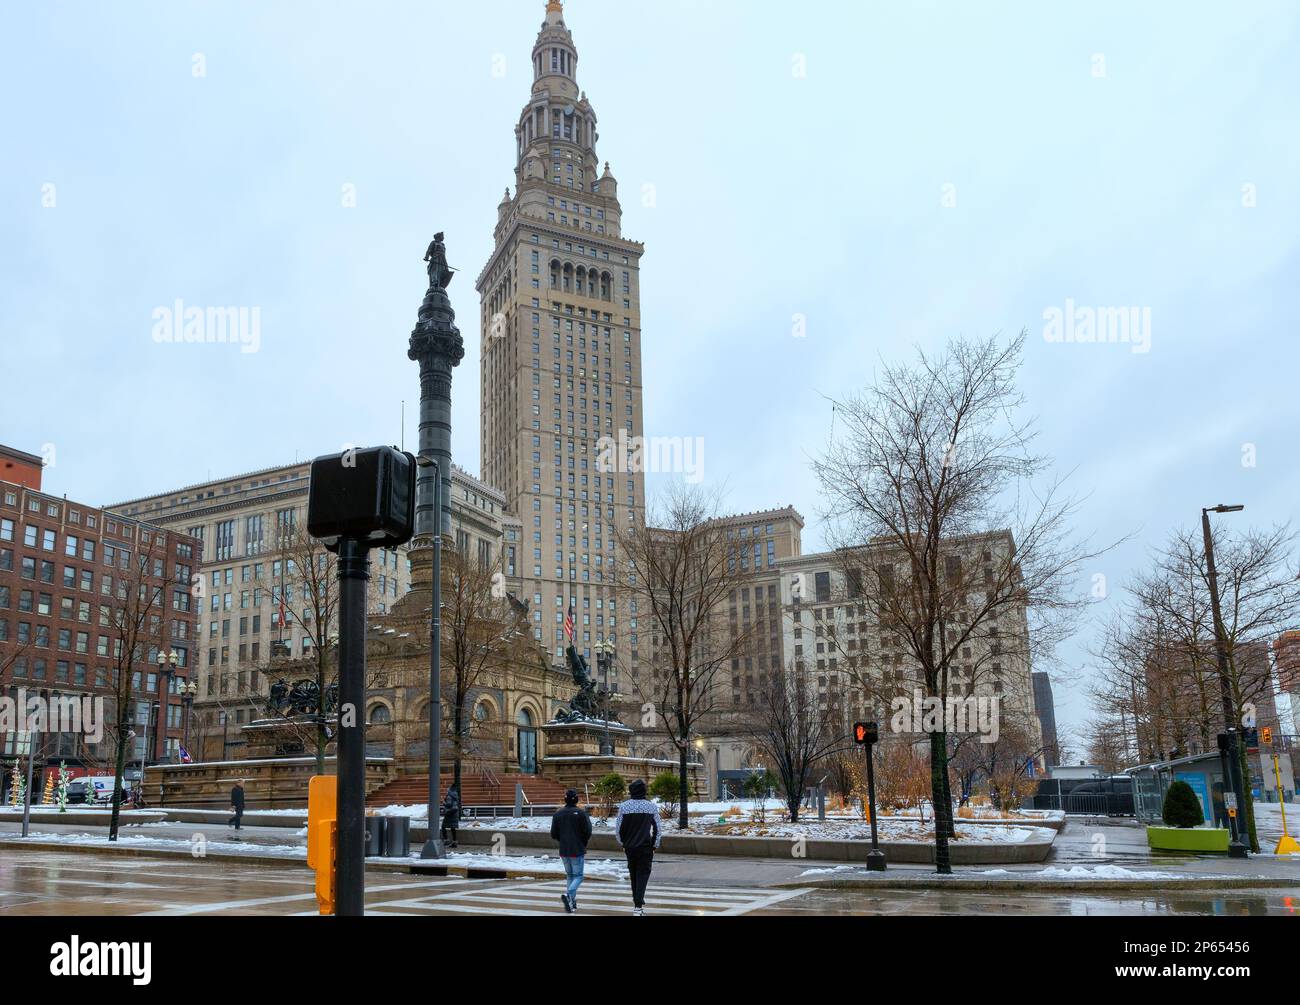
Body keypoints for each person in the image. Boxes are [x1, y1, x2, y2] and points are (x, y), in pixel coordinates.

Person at [614, 778, 661, 916]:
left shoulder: (624, 806)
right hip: (645, 847)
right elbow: (658, 827)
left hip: (629, 847)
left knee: (633, 874)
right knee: (643, 875)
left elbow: (618, 828)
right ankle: (638, 906)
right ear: (644, 791)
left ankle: (637, 903)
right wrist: (655, 845)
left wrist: (622, 843)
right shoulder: (651, 806)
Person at [550, 788, 593, 913]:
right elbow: (588, 831)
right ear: (576, 799)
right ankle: (569, 895)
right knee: (578, 876)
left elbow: (553, 834)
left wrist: (562, 840)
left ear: (565, 799)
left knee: (570, 876)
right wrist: (583, 842)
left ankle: (571, 902)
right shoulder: (581, 813)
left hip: (564, 850)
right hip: (577, 849)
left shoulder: (558, 814)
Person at [440, 784, 461, 849]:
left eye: (448, 789)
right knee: (453, 828)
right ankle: (454, 842)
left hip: (449, 814)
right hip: (454, 814)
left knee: (443, 826)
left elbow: (448, 804)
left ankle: (446, 840)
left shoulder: (449, 796)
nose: (447, 790)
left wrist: (443, 802)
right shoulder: (456, 795)